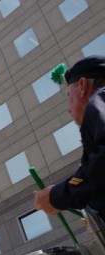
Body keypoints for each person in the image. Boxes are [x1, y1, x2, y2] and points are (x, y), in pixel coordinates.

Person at [34, 55, 105, 219]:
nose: (68, 110)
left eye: (68, 97)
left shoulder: (98, 100)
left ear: (82, 86)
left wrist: (57, 195)